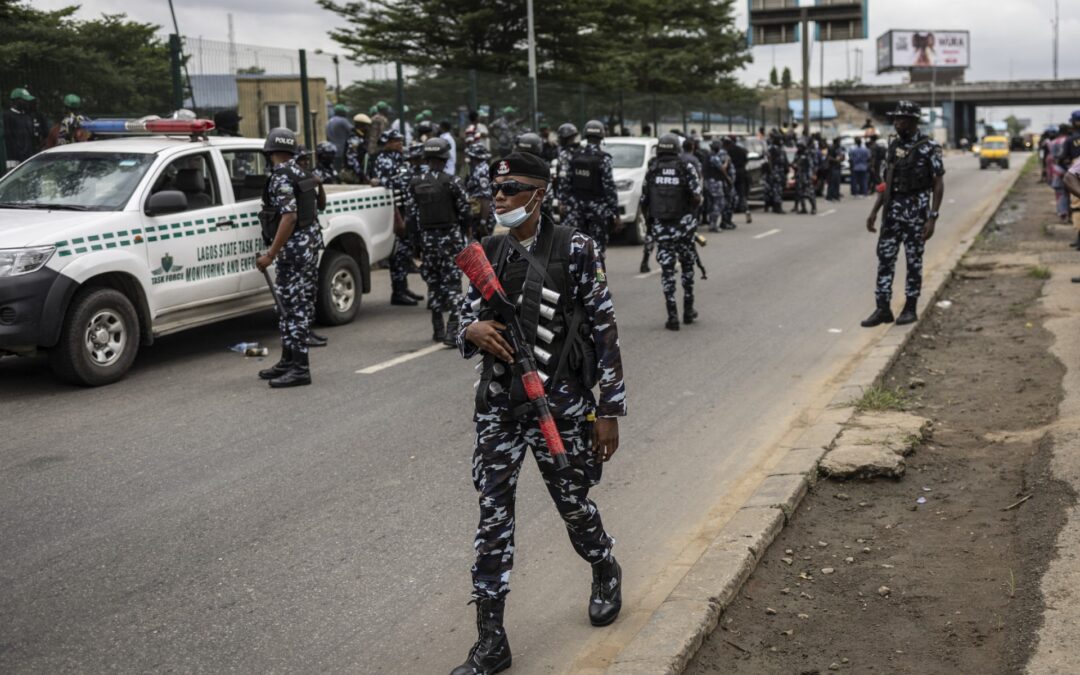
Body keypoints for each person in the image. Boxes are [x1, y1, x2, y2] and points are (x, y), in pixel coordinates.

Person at [451, 150, 626, 675]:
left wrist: (608, 412)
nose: (499, 198)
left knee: (573, 504)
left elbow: (605, 329)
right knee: (493, 519)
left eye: (512, 189)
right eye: (496, 189)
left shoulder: (575, 248)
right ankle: (490, 640)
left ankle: (604, 565)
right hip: (499, 407)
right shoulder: (487, 252)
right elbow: (464, 315)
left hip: (562, 406)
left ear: (540, 193)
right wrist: (469, 330)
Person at [863, 101, 945, 328]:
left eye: (901, 119)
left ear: (912, 121)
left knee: (913, 261)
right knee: (885, 259)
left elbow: (938, 184)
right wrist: (874, 211)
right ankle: (882, 307)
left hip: (916, 213)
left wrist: (932, 217)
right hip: (892, 213)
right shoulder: (893, 147)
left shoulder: (929, 147)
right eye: (895, 119)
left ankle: (910, 308)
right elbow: (886, 182)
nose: (896, 122)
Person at [255, 128, 323, 387]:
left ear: (270, 152)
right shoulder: (303, 173)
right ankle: (287, 360)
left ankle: (300, 368)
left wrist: (270, 254)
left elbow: (289, 216)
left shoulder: (280, 177)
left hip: (292, 253)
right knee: (297, 306)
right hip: (307, 249)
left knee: (292, 309)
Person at [405, 137, 470, 344]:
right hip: (450, 240)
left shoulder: (415, 183)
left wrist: (416, 245)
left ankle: (437, 330)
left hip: (427, 241)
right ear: (444, 158)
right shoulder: (453, 182)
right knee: (452, 285)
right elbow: (465, 212)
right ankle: (452, 331)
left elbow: (411, 217)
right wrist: (467, 234)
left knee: (433, 284)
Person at [640, 133, 703, 330]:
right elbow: (697, 197)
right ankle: (688, 311)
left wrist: (651, 222)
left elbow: (644, 201)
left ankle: (672, 316)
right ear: (677, 148)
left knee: (667, 271)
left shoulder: (652, 169)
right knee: (687, 268)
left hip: (662, 227)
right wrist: (690, 214)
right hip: (684, 228)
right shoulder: (686, 167)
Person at [371, 129, 423, 306]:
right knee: (399, 253)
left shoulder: (399, 158)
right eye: (395, 141)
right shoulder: (384, 160)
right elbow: (391, 183)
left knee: (405, 251)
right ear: (387, 143)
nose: (400, 143)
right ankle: (398, 292)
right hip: (395, 210)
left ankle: (403, 287)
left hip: (405, 207)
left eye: (400, 140)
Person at [564, 120, 620, 254]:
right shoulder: (604, 158)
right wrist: (616, 212)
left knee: (577, 248)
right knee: (597, 250)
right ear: (602, 136)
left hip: (577, 210)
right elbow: (609, 187)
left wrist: (568, 204)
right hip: (598, 211)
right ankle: (597, 274)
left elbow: (567, 182)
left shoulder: (575, 155)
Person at [463, 135, 494, 240]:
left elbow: (485, 198)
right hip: (478, 214)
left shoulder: (481, 171)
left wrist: (483, 222)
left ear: (474, 157)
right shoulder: (477, 169)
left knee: (482, 245)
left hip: (483, 215)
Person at [4, 88, 40, 169]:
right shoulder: (7, 116)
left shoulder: (27, 116)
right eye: (24, 100)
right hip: (14, 161)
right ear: (17, 101)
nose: (27, 103)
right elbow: (9, 139)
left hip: (28, 159)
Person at [703, 140, 734, 232]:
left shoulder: (708, 156)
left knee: (712, 204)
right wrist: (727, 162)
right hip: (715, 183)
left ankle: (712, 223)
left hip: (709, 183)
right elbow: (722, 168)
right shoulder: (713, 157)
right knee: (719, 203)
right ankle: (713, 224)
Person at [723, 136, 751, 224]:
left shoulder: (727, 151)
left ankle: (731, 216)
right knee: (742, 194)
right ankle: (747, 211)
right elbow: (746, 161)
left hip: (731, 174)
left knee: (730, 195)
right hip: (742, 173)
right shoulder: (742, 150)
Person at [762, 133, 787, 214]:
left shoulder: (778, 148)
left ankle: (771, 205)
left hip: (777, 171)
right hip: (775, 171)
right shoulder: (773, 148)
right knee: (776, 189)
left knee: (771, 189)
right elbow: (769, 160)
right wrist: (771, 170)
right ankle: (777, 207)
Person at [345, 113, 372, 183]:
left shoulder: (361, 138)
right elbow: (351, 159)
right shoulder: (354, 139)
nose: (368, 129)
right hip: (354, 175)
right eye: (366, 126)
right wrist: (361, 174)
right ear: (360, 126)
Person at [792, 139, 817, 215]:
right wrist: (794, 166)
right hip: (799, 176)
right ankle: (803, 208)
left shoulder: (807, 154)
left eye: (800, 146)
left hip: (806, 177)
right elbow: (794, 163)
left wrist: (812, 174)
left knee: (810, 193)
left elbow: (811, 165)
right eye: (798, 146)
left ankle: (813, 208)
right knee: (800, 193)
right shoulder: (797, 154)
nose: (798, 148)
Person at [325, 104, 353, 171]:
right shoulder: (342, 120)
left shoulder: (329, 121)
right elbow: (352, 130)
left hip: (331, 149)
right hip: (341, 149)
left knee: (334, 167)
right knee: (340, 168)